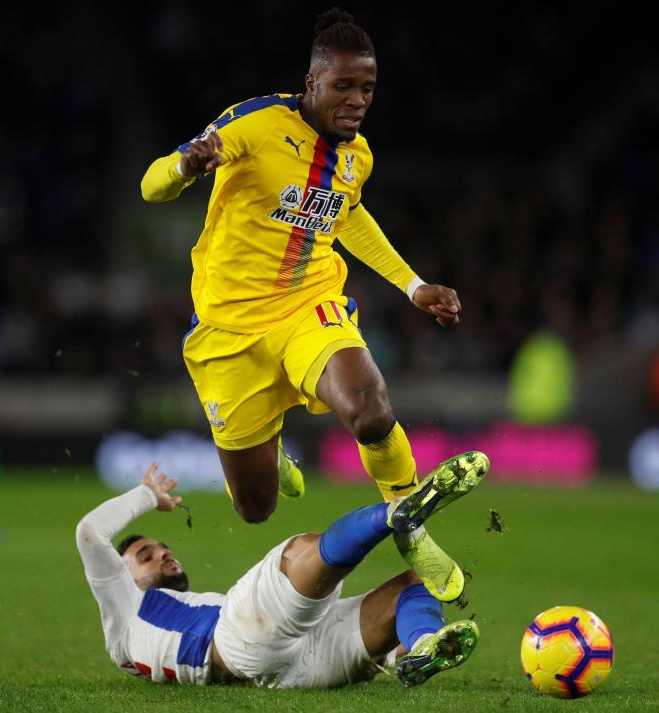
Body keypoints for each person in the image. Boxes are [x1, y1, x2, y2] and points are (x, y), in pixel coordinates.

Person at [140, 8, 466, 602]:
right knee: (257, 507)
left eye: (367, 87)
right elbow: (151, 184)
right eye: (343, 85)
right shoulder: (255, 124)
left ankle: (409, 523)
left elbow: (348, 214)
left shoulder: (356, 156)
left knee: (369, 410)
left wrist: (413, 285)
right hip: (227, 331)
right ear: (311, 82)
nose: (358, 99)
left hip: (307, 305)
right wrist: (187, 165)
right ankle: (271, 445)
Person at [76, 453, 488, 689]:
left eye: (163, 549)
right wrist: (148, 495)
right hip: (237, 644)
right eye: (146, 556)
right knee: (295, 554)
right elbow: (90, 532)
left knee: (413, 585)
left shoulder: (158, 628)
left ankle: (421, 646)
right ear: (121, 578)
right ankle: (396, 513)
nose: (162, 555)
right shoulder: (123, 610)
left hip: (288, 673)